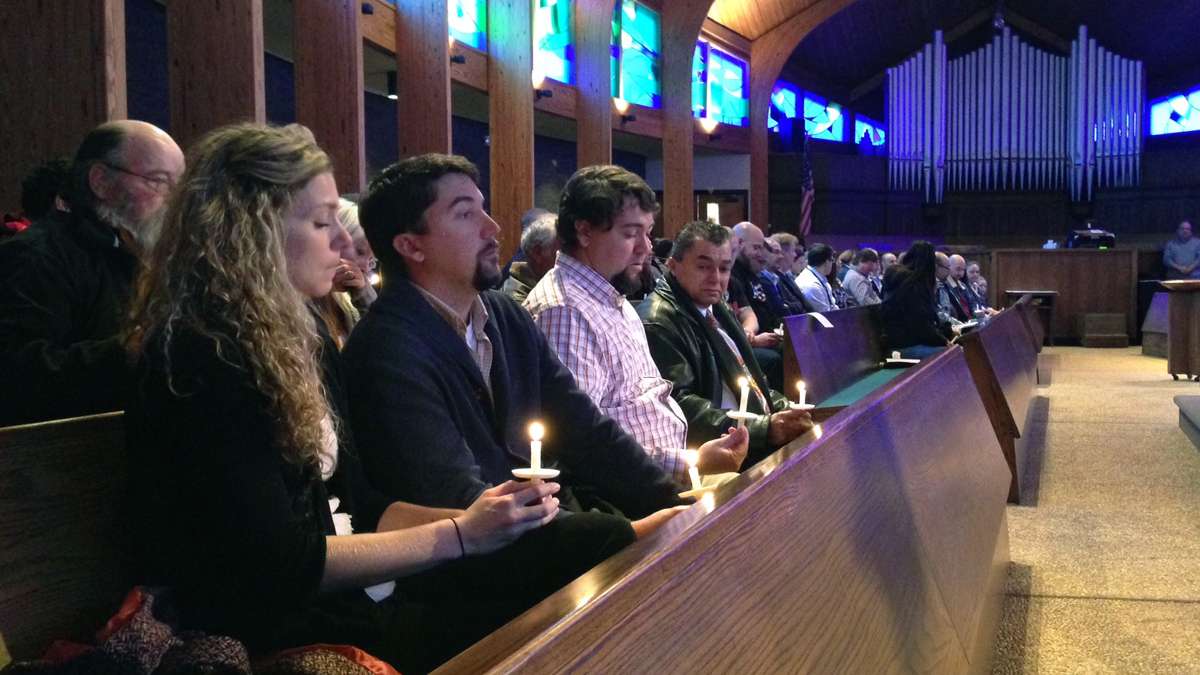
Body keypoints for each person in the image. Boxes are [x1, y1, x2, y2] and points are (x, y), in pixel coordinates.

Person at [124, 123, 623, 673]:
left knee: (590, 547)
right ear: (249, 231)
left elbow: (360, 501)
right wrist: (460, 533)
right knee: (574, 581)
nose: (343, 242)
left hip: (353, 593)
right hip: (275, 618)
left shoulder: (299, 334)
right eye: (320, 222)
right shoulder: (202, 355)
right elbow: (281, 563)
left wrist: (489, 520)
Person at [343, 153, 687, 529]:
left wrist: (672, 501)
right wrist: (624, 535)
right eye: (465, 214)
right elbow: (461, 504)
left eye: (484, 210)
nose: (493, 228)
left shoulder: (504, 315)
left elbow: (585, 430)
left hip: (549, 534)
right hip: (475, 571)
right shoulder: (386, 351)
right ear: (411, 246)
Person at [524, 166, 748, 483]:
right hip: (633, 494)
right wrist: (692, 464)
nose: (646, 247)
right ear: (584, 232)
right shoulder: (564, 310)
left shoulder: (610, 296)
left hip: (667, 472)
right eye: (631, 234)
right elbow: (584, 444)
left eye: (648, 232)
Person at [0, 120, 184, 426]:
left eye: (179, 185)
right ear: (100, 181)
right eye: (158, 181)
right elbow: (18, 373)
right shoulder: (36, 256)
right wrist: (137, 350)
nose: (173, 200)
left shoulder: (142, 255)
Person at [640, 221, 814, 463]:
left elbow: (752, 380)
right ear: (673, 265)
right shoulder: (659, 320)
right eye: (703, 266)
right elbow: (679, 407)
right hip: (721, 454)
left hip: (751, 436)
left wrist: (784, 407)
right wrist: (765, 429)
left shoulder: (715, 307)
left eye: (724, 268)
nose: (716, 278)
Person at [881, 241, 954, 359]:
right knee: (954, 355)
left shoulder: (898, 279)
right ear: (929, 264)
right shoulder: (914, 285)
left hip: (896, 343)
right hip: (905, 347)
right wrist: (944, 341)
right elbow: (922, 325)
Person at [501, 210, 557, 304]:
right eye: (561, 251)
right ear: (537, 253)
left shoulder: (542, 284)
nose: (567, 259)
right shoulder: (518, 302)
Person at [796, 243, 839, 312]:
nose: (832, 264)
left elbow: (833, 308)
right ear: (826, 262)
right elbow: (825, 316)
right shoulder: (811, 285)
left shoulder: (819, 278)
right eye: (832, 260)